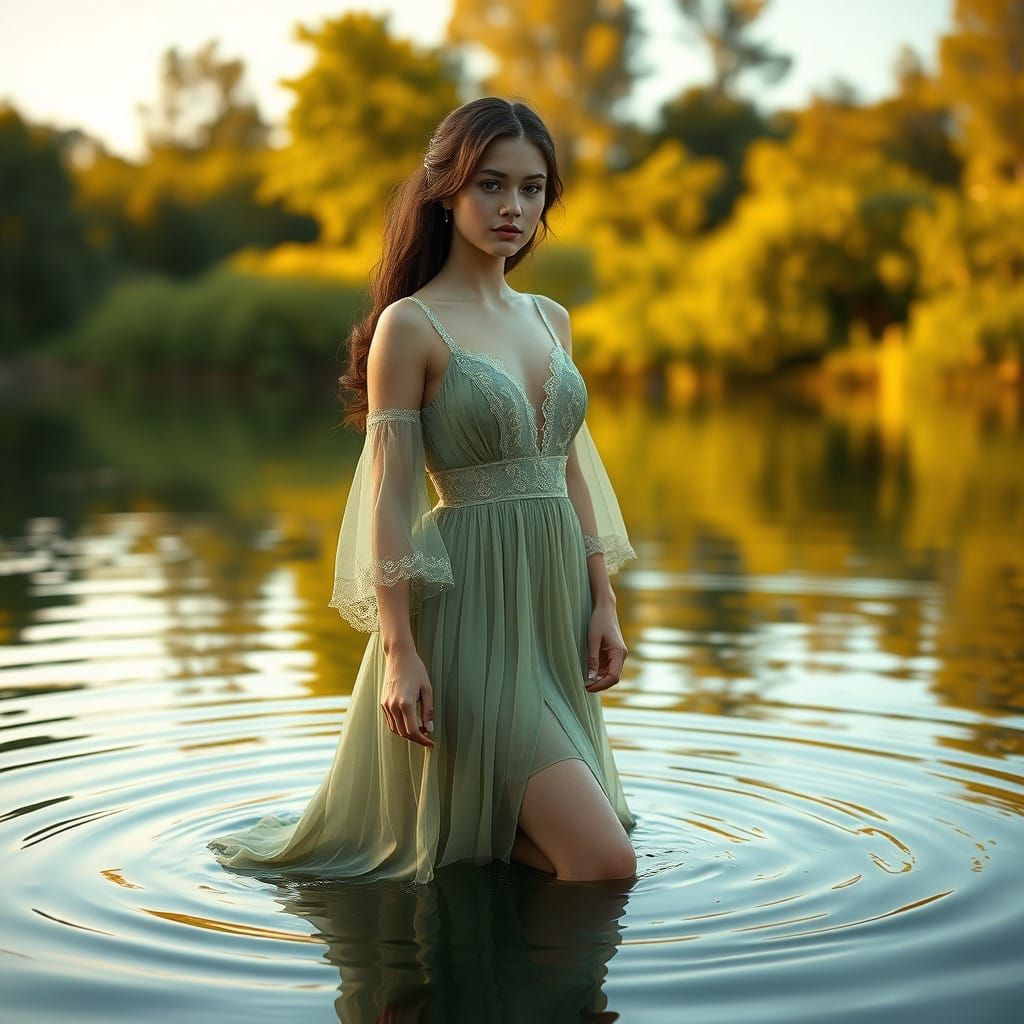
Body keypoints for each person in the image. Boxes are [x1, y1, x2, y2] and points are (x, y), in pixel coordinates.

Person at [208, 96, 638, 884]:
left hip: (551, 611)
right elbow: (388, 498)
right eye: (491, 185)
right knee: (608, 866)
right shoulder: (409, 325)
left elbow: (568, 468)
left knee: (590, 855)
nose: (514, 207)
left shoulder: (552, 318)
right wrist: (401, 651)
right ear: (447, 190)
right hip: (466, 616)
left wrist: (602, 600)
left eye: (533, 188)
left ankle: (474, 828)